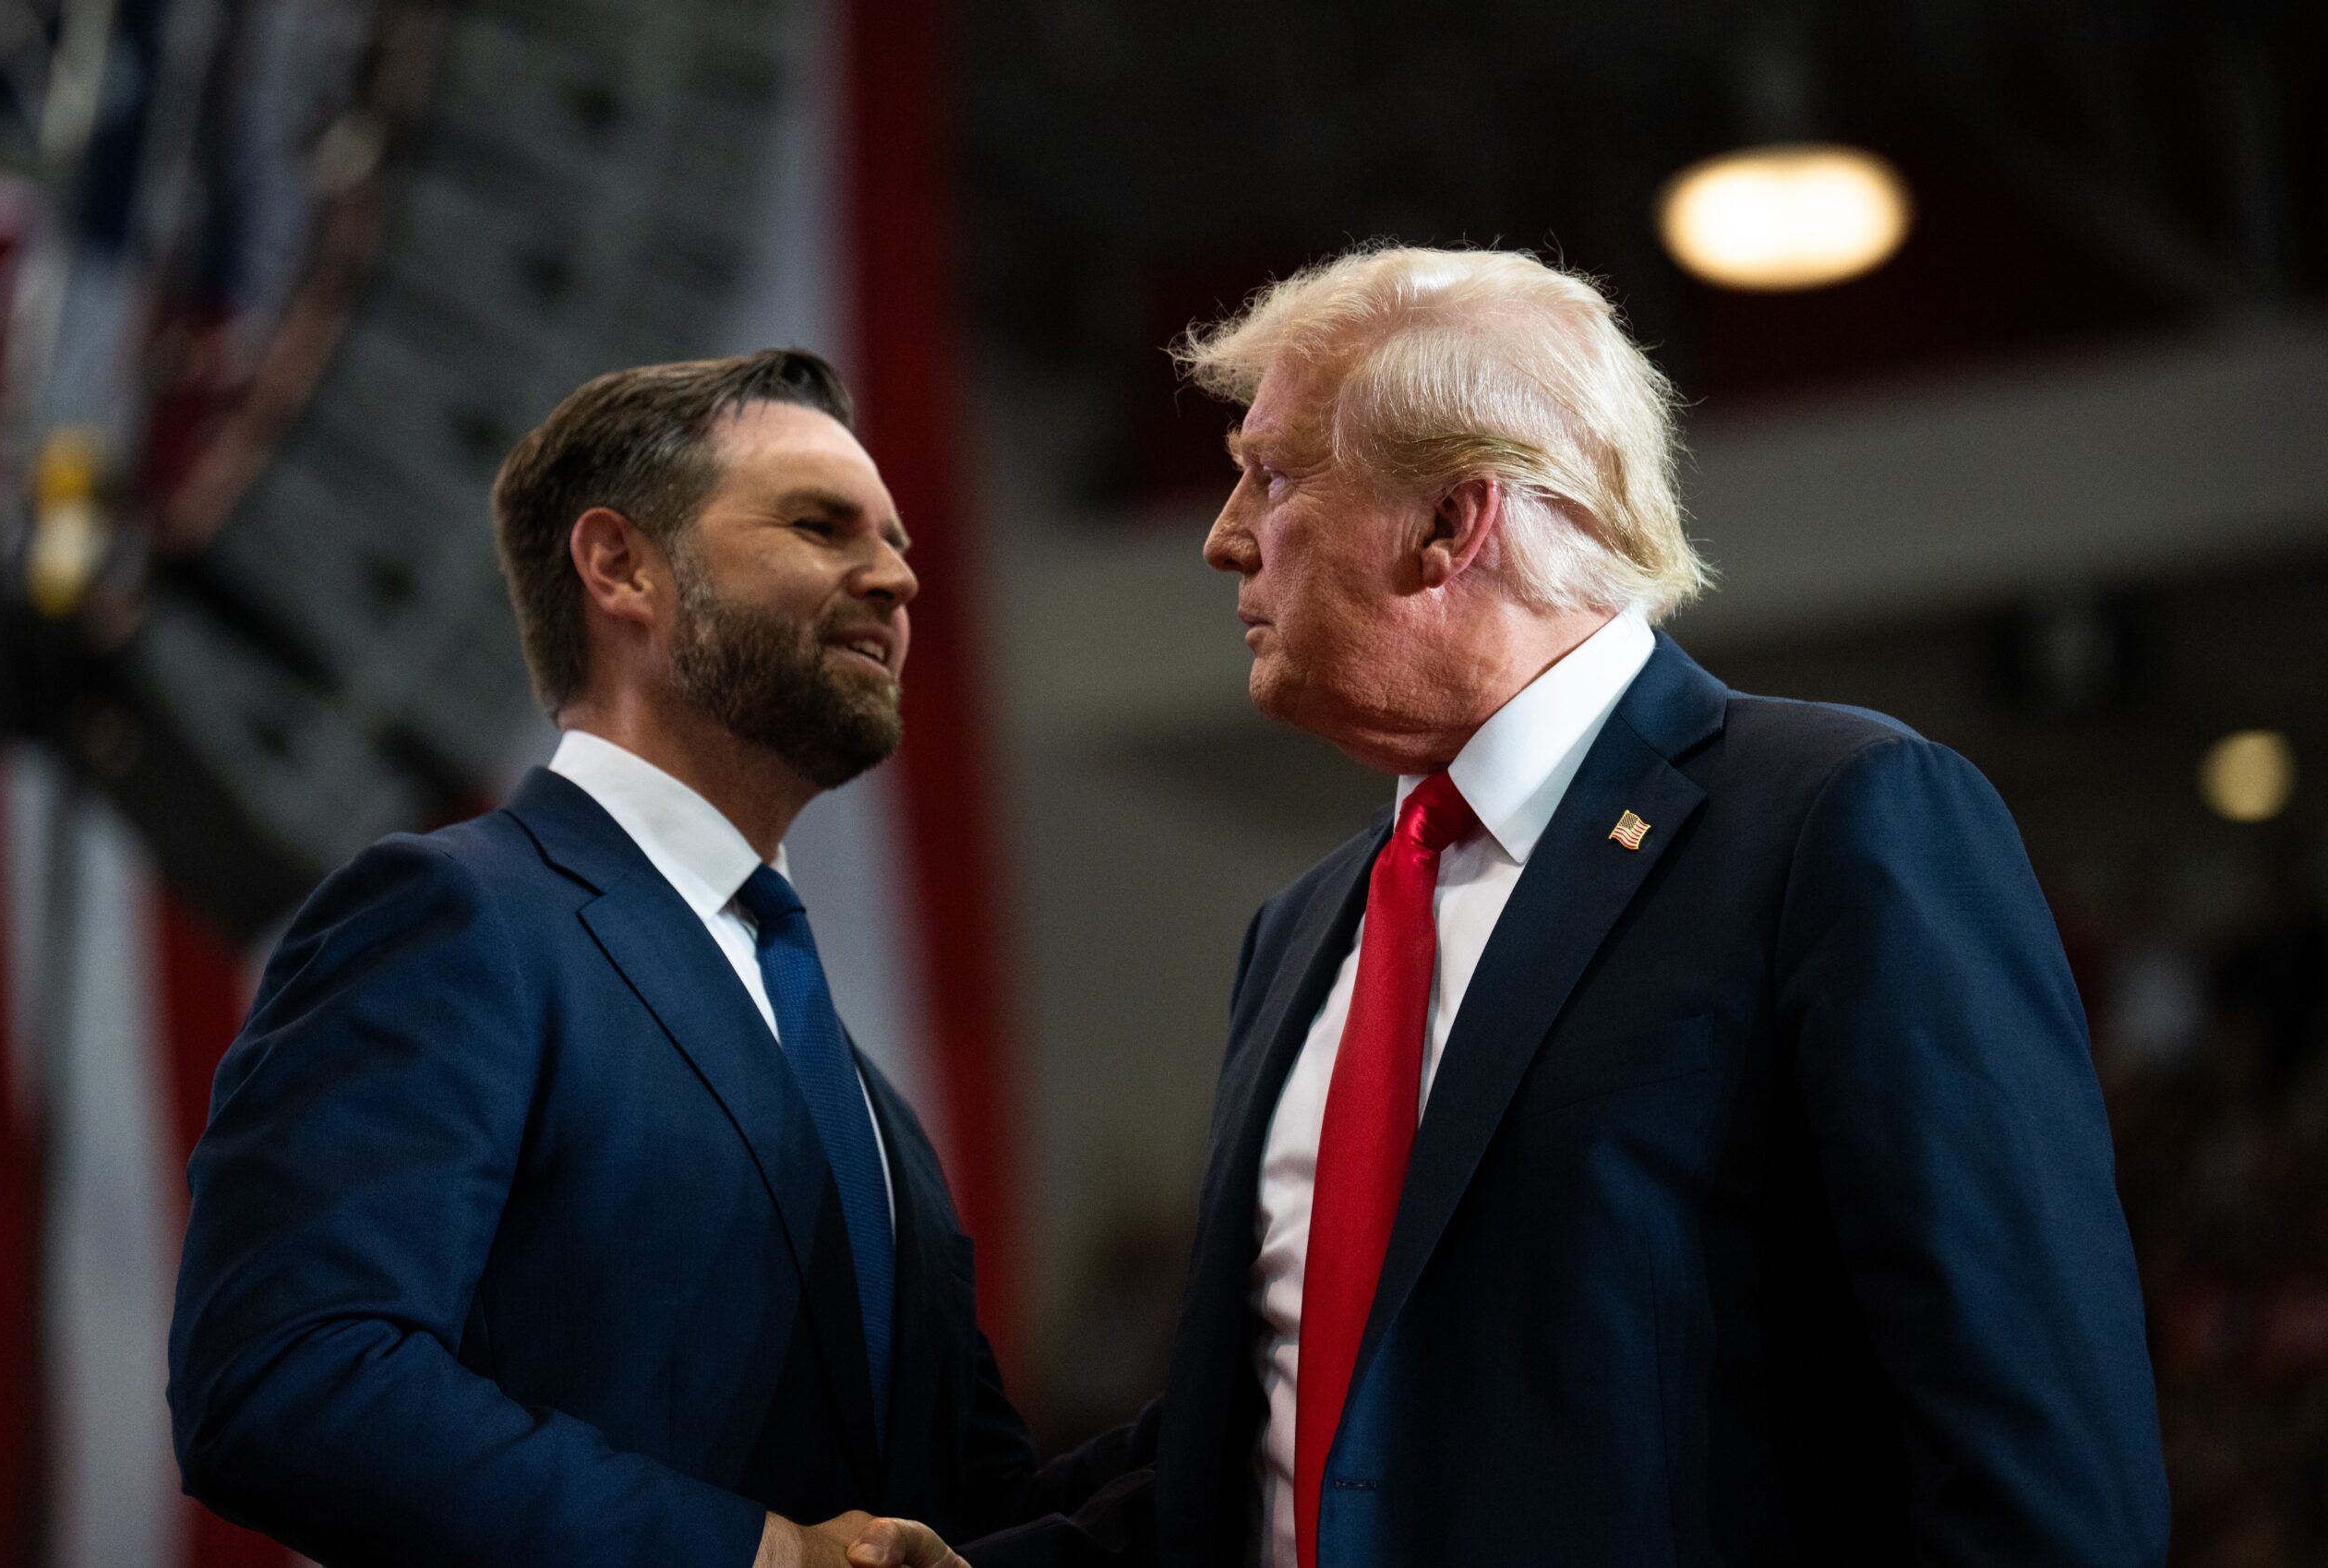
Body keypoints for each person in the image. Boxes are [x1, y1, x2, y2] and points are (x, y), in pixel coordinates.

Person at [960, 247, 2171, 1567]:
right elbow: (1265, 1451)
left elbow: (2036, 1466)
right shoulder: (1302, 929)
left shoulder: (1837, 821)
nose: (1223, 535)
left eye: (1277, 472)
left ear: (1450, 522)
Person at [168, 352, 1091, 1568]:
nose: (896, 577)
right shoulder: (455, 920)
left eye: (900, 541)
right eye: (822, 526)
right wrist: (758, 1555)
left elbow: (964, 1509)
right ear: (621, 568)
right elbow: (291, 1374)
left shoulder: (860, 1094)